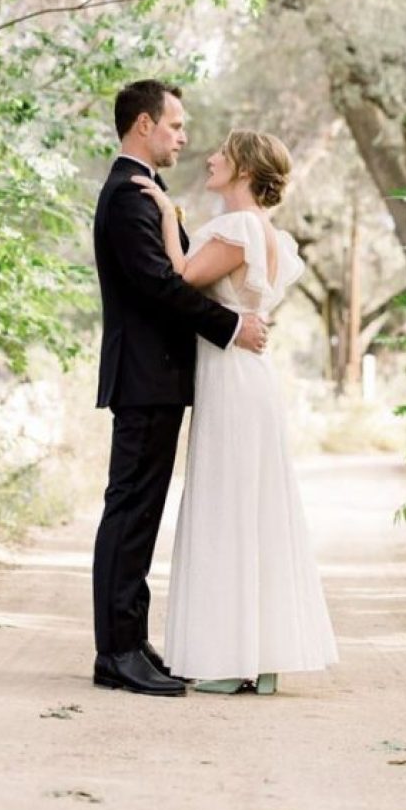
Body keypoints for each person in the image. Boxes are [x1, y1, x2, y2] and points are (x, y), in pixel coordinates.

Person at [132, 130, 338, 695]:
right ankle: (260, 657)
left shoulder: (241, 226)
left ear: (244, 168)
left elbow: (178, 280)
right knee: (254, 509)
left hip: (231, 376)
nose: (212, 157)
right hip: (249, 378)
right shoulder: (273, 236)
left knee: (228, 509)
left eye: (223, 153)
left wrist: (165, 212)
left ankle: (230, 658)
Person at [91, 81, 269, 697]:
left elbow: (178, 274)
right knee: (130, 511)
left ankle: (131, 640)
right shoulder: (127, 196)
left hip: (158, 378)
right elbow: (161, 286)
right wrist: (231, 326)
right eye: (174, 125)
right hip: (143, 378)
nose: (183, 137)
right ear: (144, 125)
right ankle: (114, 653)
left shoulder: (148, 192)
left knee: (142, 514)